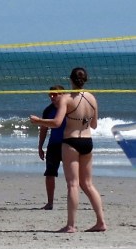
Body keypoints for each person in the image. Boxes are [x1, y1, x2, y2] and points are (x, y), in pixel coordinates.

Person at [29, 67, 106, 233]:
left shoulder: (66, 98)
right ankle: (101, 222)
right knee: (87, 184)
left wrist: (38, 121)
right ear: (85, 80)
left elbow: (56, 123)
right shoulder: (92, 98)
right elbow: (94, 125)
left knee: (72, 184)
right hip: (87, 141)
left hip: (71, 142)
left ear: (70, 80)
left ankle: (71, 225)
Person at [36, 85, 66, 210]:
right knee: (50, 174)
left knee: (76, 176)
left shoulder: (69, 109)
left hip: (69, 144)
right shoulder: (48, 110)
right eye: (50, 95)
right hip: (53, 145)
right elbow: (43, 129)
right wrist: (40, 146)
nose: (52, 97)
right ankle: (50, 203)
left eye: (55, 94)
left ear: (62, 95)